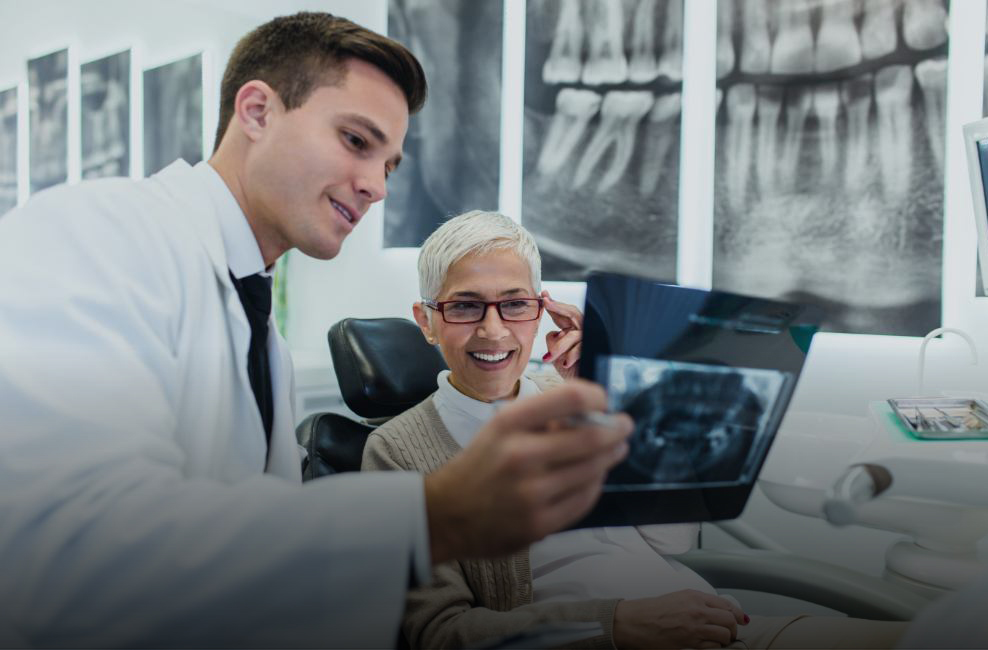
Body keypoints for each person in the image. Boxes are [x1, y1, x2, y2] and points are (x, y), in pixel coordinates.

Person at [0, 13, 632, 648]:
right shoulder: (95, 232)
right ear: (256, 111)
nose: (377, 187)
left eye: (390, 164)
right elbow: (75, 561)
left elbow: (259, 576)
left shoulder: (255, 324)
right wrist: (433, 517)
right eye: (357, 141)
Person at [362, 210, 911, 650]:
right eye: (464, 307)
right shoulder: (397, 451)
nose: (493, 329)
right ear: (427, 320)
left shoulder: (572, 395)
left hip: (724, 628)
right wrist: (618, 625)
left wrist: (618, 396)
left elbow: (670, 540)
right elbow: (443, 633)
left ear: (540, 310)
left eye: (514, 304)